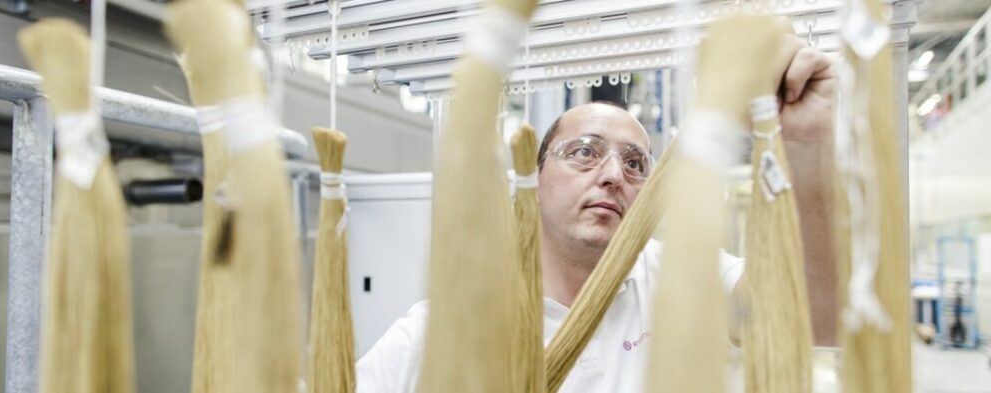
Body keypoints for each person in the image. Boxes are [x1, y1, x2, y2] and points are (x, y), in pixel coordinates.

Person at [355, 34, 837, 393]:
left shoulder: (678, 276)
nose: (614, 176)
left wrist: (808, 146)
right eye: (584, 152)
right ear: (535, 179)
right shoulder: (446, 326)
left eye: (635, 163)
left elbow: (815, 319)